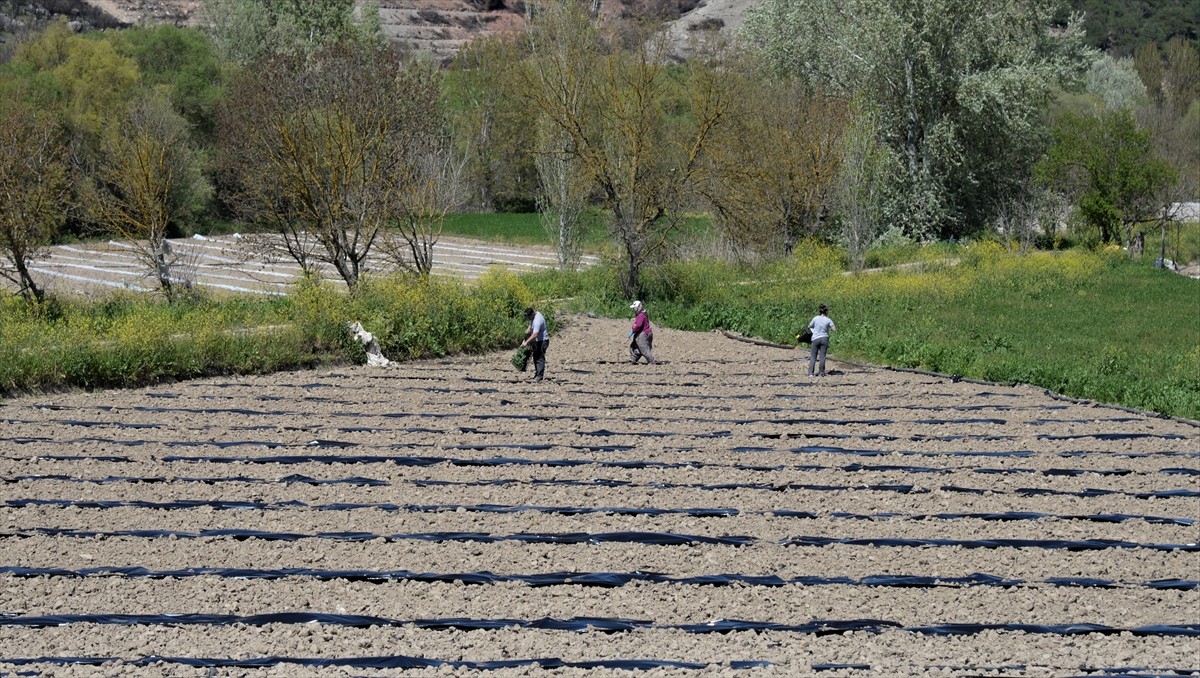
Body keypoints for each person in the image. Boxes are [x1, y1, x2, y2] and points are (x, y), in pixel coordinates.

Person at [804, 303, 835, 377]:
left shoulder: (815, 318)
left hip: (816, 339)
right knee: (822, 356)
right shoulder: (828, 320)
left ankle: (810, 373)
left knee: (813, 356)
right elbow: (834, 329)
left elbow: (809, 326)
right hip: (824, 338)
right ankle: (821, 373)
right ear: (826, 312)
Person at [521, 307, 549, 382]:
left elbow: (535, 334)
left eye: (529, 317)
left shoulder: (537, 320)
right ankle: (537, 374)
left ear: (533, 314)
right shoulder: (535, 315)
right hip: (538, 341)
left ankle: (539, 376)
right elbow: (531, 323)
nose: (529, 319)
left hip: (542, 341)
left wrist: (526, 342)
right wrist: (529, 329)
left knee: (539, 357)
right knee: (535, 356)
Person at [628, 300, 655, 365]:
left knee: (644, 348)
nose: (634, 310)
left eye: (634, 308)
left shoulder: (641, 316)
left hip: (642, 334)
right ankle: (633, 359)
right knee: (635, 347)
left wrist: (633, 331)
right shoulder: (643, 314)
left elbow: (638, 325)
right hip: (646, 333)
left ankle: (651, 361)